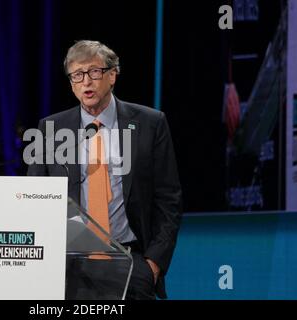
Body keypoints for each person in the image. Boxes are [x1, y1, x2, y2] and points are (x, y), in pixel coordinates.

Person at [27, 40, 182, 300]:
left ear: (112, 75)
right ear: (71, 83)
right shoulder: (51, 129)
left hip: (130, 264)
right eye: (77, 75)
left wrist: (152, 264)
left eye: (94, 72)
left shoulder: (150, 123)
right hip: (68, 267)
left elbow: (169, 200)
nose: (86, 81)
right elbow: (35, 199)